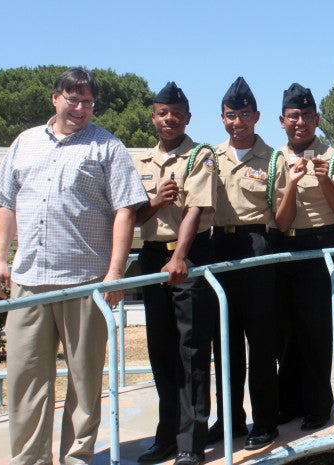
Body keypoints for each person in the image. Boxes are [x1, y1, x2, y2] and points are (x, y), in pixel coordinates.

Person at [0, 68, 147, 465]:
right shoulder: (24, 143)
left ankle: (77, 458)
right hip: (28, 282)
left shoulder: (108, 147)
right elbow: (6, 204)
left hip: (84, 283)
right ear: (55, 98)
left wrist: (115, 273)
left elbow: (125, 211)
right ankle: (30, 460)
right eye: (73, 100)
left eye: (89, 102)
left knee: (84, 379)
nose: (80, 109)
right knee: (25, 381)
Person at [208, 77, 302, 449]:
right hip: (218, 247)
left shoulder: (274, 158)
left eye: (244, 115)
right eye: (231, 116)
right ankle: (229, 418)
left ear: (257, 116)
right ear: (222, 117)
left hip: (258, 247)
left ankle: (265, 420)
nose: (237, 122)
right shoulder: (210, 157)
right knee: (224, 342)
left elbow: (282, 217)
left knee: (261, 341)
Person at [133, 82, 218, 465]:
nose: (169, 119)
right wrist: (154, 201)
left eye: (176, 113)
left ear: (187, 118)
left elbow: (196, 209)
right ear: (153, 117)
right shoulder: (141, 162)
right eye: (162, 113)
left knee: (191, 353)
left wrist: (180, 256)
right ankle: (166, 436)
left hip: (187, 258)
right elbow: (132, 216)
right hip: (152, 257)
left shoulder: (199, 156)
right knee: (161, 352)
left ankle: (191, 443)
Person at [273, 83, 334, 431]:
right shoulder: (276, 158)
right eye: (293, 116)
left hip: (321, 244)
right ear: (282, 120)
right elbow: (280, 219)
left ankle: (318, 405)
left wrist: (324, 181)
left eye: (307, 116)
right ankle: (289, 402)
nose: (300, 122)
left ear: (317, 118)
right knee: (285, 331)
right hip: (285, 246)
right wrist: (292, 183)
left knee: (315, 330)